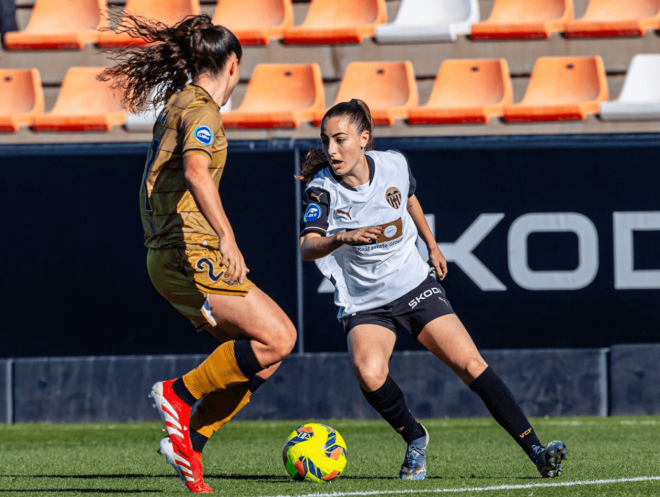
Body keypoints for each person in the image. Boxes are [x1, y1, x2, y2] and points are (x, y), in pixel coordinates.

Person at [298, 99, 567, 481]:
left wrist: (432, 244)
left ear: (364, 139)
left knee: (471, 364)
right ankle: (415, 437)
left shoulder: (394, 164)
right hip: (365, 302)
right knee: (369, 373)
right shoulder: (322, 189)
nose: (331, 150)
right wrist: (344, 237)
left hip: (413, 285)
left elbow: (408, 198)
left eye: (340, 140)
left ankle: (537, 451)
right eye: (326, 141)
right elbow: (307, 247)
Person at [99, 14, 296, 494]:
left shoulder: (178, 102)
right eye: (239, 70)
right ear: (231, 64)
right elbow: (195, 172)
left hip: (167, 254)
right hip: (187, 250)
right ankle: (178, 395)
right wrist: (228, 237)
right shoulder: (203, 110)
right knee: (279, 338)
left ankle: (190, 441)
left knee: (263, 356)